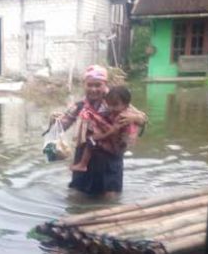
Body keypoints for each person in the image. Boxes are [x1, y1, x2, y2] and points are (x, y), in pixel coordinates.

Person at [54, 65, 147, 198]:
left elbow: (143, 120)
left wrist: (134, 117)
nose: (93, 89)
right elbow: (62, 126)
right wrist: (54, 121)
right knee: (77, 196)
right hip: (85, 156)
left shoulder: (116, 100)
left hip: (110, 157)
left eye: (98, 85)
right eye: (90, 85)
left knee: (110, 197)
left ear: (105, 84)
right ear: (84, 85)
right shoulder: (79, 106)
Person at [70, 86, 135, 172]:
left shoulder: (123, 117)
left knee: (91, 140)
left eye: (115, 105)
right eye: (109, 105)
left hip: (117, 144)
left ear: (126, 105)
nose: (111, 108)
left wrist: (99, 136)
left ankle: (83, 164)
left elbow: (113, 131)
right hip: (115, 142)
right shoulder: (115, 112)